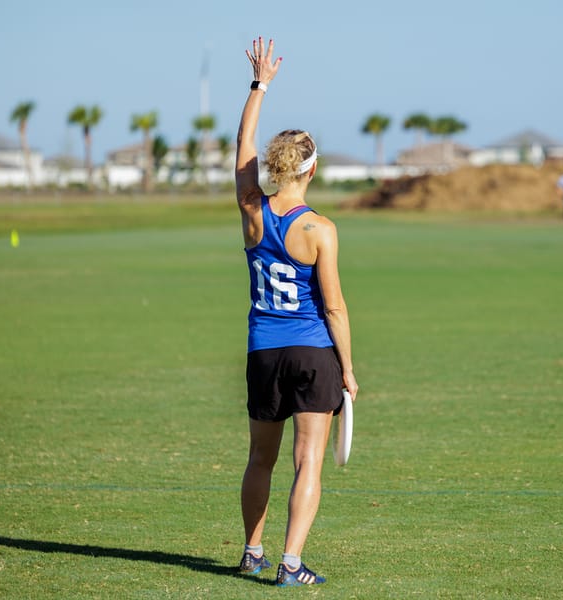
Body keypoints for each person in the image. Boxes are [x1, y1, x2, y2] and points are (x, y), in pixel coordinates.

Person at [234, 36, 358, 588]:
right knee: (308, 460)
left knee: (260, 458)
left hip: (263, 351)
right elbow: (332, 304)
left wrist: (259, 86)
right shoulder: (320, 229)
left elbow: (242, 146)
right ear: (311, 170)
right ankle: (290, 564)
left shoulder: (250, 211)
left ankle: (252, 551)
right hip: (312, 353)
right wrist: (348, 371)